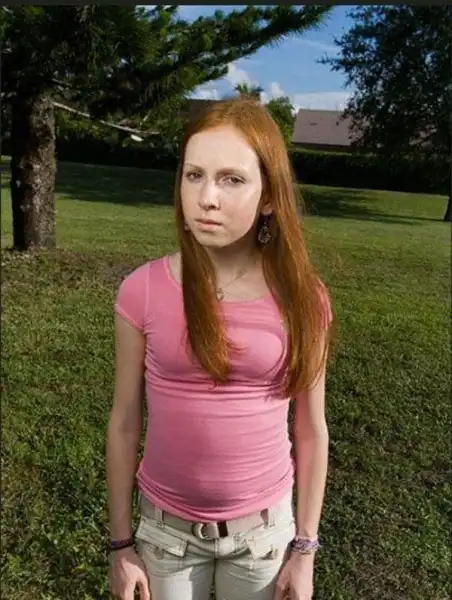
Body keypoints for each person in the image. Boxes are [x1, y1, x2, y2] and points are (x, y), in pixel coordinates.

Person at [106, 97, 334, 600]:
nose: (206, 197)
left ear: (269, 196)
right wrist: (120, 545)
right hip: (164, 535)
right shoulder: (142, 290)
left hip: (262, 540)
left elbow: (311, 430)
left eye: (232, 179)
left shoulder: (304, 298)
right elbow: (124, 421)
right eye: (194, 175)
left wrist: (305, 549)